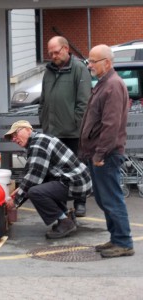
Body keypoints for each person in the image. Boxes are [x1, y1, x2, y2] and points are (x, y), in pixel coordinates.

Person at [79, 44, 134, 258]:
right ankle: (117, 239)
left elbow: (111, 124)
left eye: (94, 61)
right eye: (89, 61)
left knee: (111, 198)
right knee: (104, 199)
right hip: (100, 153)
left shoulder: (112, 85)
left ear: (107, 63)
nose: (90, 65)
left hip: (106, 154)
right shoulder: (105, 83)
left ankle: (123, 242)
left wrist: (100, 154)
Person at [4, 120, 92, 239]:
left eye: (16, 134)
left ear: (28, 130)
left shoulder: (38, 144)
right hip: (77, 180)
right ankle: (67, 216)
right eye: (11, 138)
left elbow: (34, 177)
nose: (14, 139)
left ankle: (65, 223)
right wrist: (20, 189)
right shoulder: (38, 140)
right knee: (41, 186)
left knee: (35, 192)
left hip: (76, 182)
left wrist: (15, 202)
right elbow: (32, 174)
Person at [38, 36, 92, 217]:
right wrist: (43, 120)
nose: (53, 56)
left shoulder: (79, 69)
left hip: (73, 133)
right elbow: (43, 99)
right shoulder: (49, 71)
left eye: (56, 52)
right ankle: (60, 203)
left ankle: (80, 202)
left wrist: (77, 127)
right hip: (52, 132)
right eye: (50, 53)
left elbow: (84, 102)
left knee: (77, 169)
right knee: (55, 171)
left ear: (66, 49)